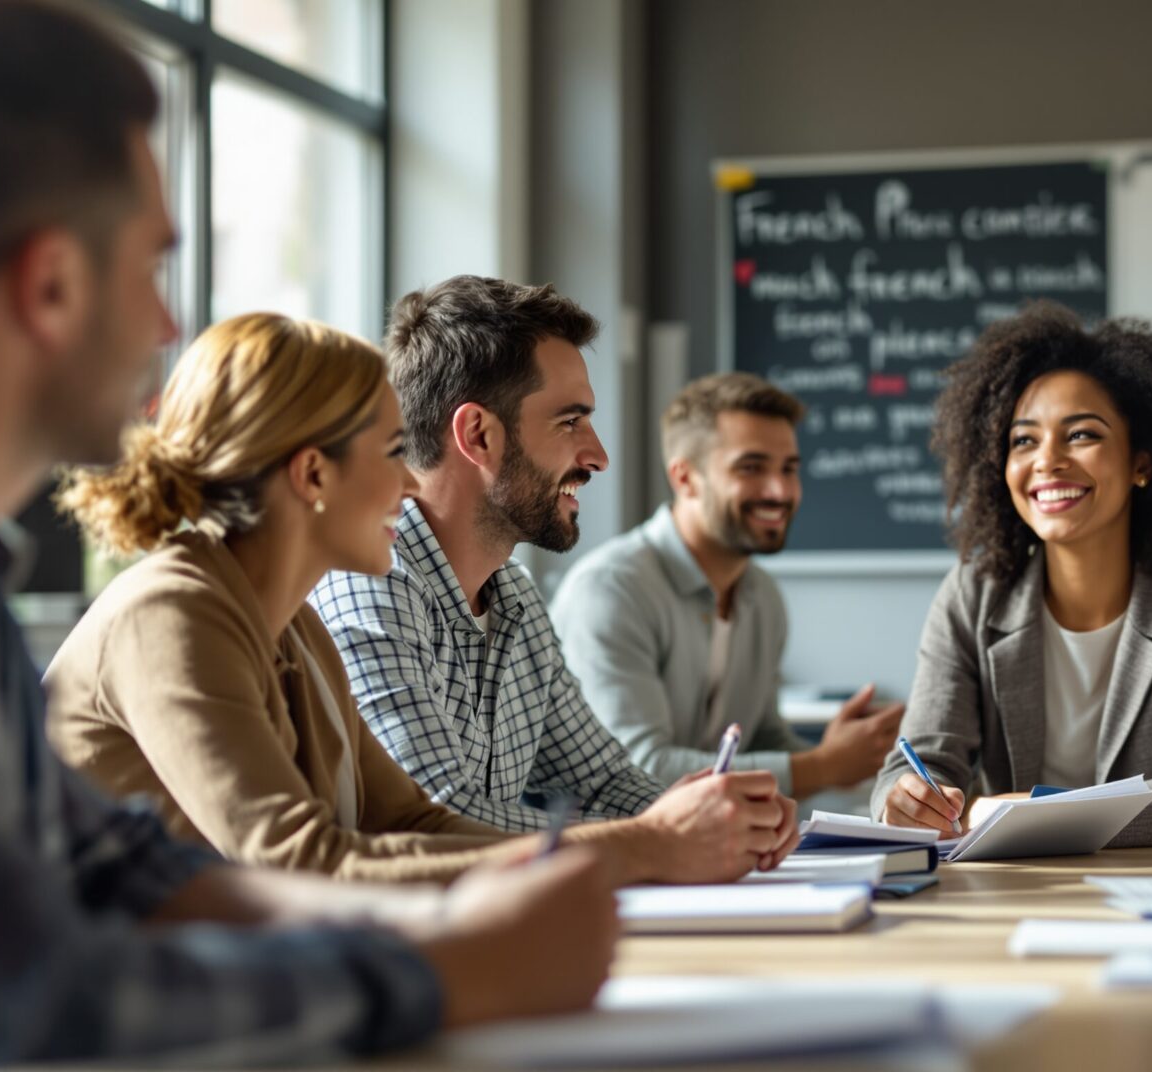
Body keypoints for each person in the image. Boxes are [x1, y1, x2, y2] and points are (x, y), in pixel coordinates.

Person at [0, 2, 612, 1068]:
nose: (170, 326)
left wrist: (478, 908)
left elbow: (119, 867)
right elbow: (23, 1014)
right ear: (53, 283)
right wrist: (451, 968)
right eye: (153, 265)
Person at [311, 276, 799, 882]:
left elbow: (601, 783)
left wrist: (723, 821)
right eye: (571, 422)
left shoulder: (513, 594)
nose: (597, 456)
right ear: (478, 436)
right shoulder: (371, 582)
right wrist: (658, 837)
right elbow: (433, 817)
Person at [45, 312, 557, 883]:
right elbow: (296, 861)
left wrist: (621, 851)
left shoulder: (298, 630)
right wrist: (624, 852)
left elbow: (408, 822)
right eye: (393, 452)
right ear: (313, 474)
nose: (411, 484)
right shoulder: (168, 614)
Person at [871, 302, 1152, 846]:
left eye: (1081, 435)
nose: (1047, 461)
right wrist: (905, 798)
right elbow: (919, 762)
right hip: (1026, 891)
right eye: (1023, 440)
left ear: (1143, 461)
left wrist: (1037, 811)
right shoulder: (973, 595)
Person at [549, 372, 904, 795]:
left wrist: (855, 761)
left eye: (789, 469)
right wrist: (823, 766)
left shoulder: (762, 598)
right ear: (684, 478)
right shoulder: (611, 590)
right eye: (750, 468)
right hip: (602, 854)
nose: (779, 490)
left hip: (710, 853)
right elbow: (635, 770)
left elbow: (762, 740)